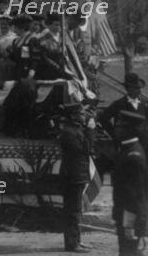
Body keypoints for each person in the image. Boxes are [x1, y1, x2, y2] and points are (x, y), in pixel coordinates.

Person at [112, 110, 148, 255]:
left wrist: (129, 225)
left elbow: (134, 195)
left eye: (120, 126)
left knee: (129, 251)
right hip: (125, 213)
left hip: (130, 216)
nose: (116, 129)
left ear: (129, 130)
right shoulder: (128, 150)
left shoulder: (132, 156)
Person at [58, 102, 93, 253]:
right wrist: (91, 131)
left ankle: (76, 240)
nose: (83, 116)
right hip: (72, 176)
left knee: (76, 209)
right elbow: (84, 150)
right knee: (72, 211)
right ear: (73, 116)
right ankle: (72, 244)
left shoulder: (76, 129)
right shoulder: (68, 133)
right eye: (80, 113)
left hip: (78, 175)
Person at [98, 73, 148, 159]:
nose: (140, 91)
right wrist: (114, 134)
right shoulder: (118, 104)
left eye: (139, 88)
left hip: (144, 145)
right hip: (126, 145)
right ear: (129, 89)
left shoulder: (147, 105)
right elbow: (103, 118)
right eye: (136, 88)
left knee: (143, 170)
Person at [0, 13, 17, 81]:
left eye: (6, 24)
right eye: (1, 24)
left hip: (10, 66)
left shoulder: (15, 37)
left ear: (10, 25)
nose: (3, 26)